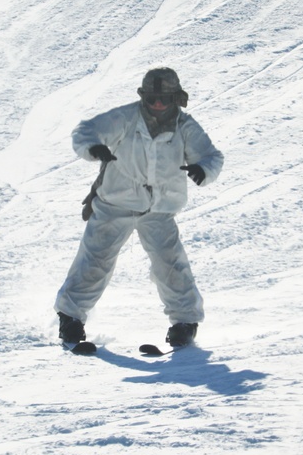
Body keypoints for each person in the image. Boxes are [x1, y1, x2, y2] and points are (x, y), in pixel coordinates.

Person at [55, 67, 224, 349]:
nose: (157, 105)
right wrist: (94, 148)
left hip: (159, 209)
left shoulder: (185, 127)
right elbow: (86, 131)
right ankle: (70, 318)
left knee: (170, 263)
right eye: (152, 99)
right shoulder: (125, 117)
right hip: (115, 203)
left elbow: (211, 156)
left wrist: (202, 169)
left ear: (176, 99)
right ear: (143, 98)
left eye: (164, 100)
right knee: (94, 260)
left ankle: (185, 323)